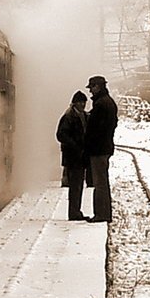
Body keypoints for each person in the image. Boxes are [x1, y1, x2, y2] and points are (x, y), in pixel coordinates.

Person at [84, 75, 118, 223]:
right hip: (104, 147)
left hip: (98, 149)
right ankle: (104, 213)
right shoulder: (108, 103)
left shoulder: (101, 105)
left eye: (92, 87)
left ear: (98, 87)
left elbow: (95, 129)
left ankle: (102, 214)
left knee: (100, 184)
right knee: (102, 182)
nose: (90, 91)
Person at [56, 90, 88, 221]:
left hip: (78, 156)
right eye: (81, 102)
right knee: (75, 185)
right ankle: (74, 212)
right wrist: (74, 145)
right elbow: (61, 135)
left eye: (84, 102)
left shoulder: (81, 115)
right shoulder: (69, 117)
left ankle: (76, 211)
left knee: (78, 185)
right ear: (75, 103)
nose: (83, 105)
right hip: (73, 156)